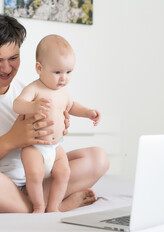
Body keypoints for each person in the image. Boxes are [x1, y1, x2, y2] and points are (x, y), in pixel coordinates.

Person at [0, 11, 109, 213]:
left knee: (98, 158)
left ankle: (35, 205)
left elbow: (48, 133)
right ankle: (54, 207)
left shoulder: (29, 90)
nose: (7, 68)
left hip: (31, 182)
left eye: (13, 58)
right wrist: (11, 140)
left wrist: (55, 127)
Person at [13, 34, 101, 213]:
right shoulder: (34, 89)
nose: (64, 78)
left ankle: (54, 207)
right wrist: (32, 106)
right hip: (35, 147)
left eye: (68, 72)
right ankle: (38, 206)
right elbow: (17, 105)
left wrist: (88, 113)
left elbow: (72, 106)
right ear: (39, 68)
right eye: (57, 72)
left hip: (56, 147)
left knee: (64, 173)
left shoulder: (63, 91)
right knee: (35, 175)